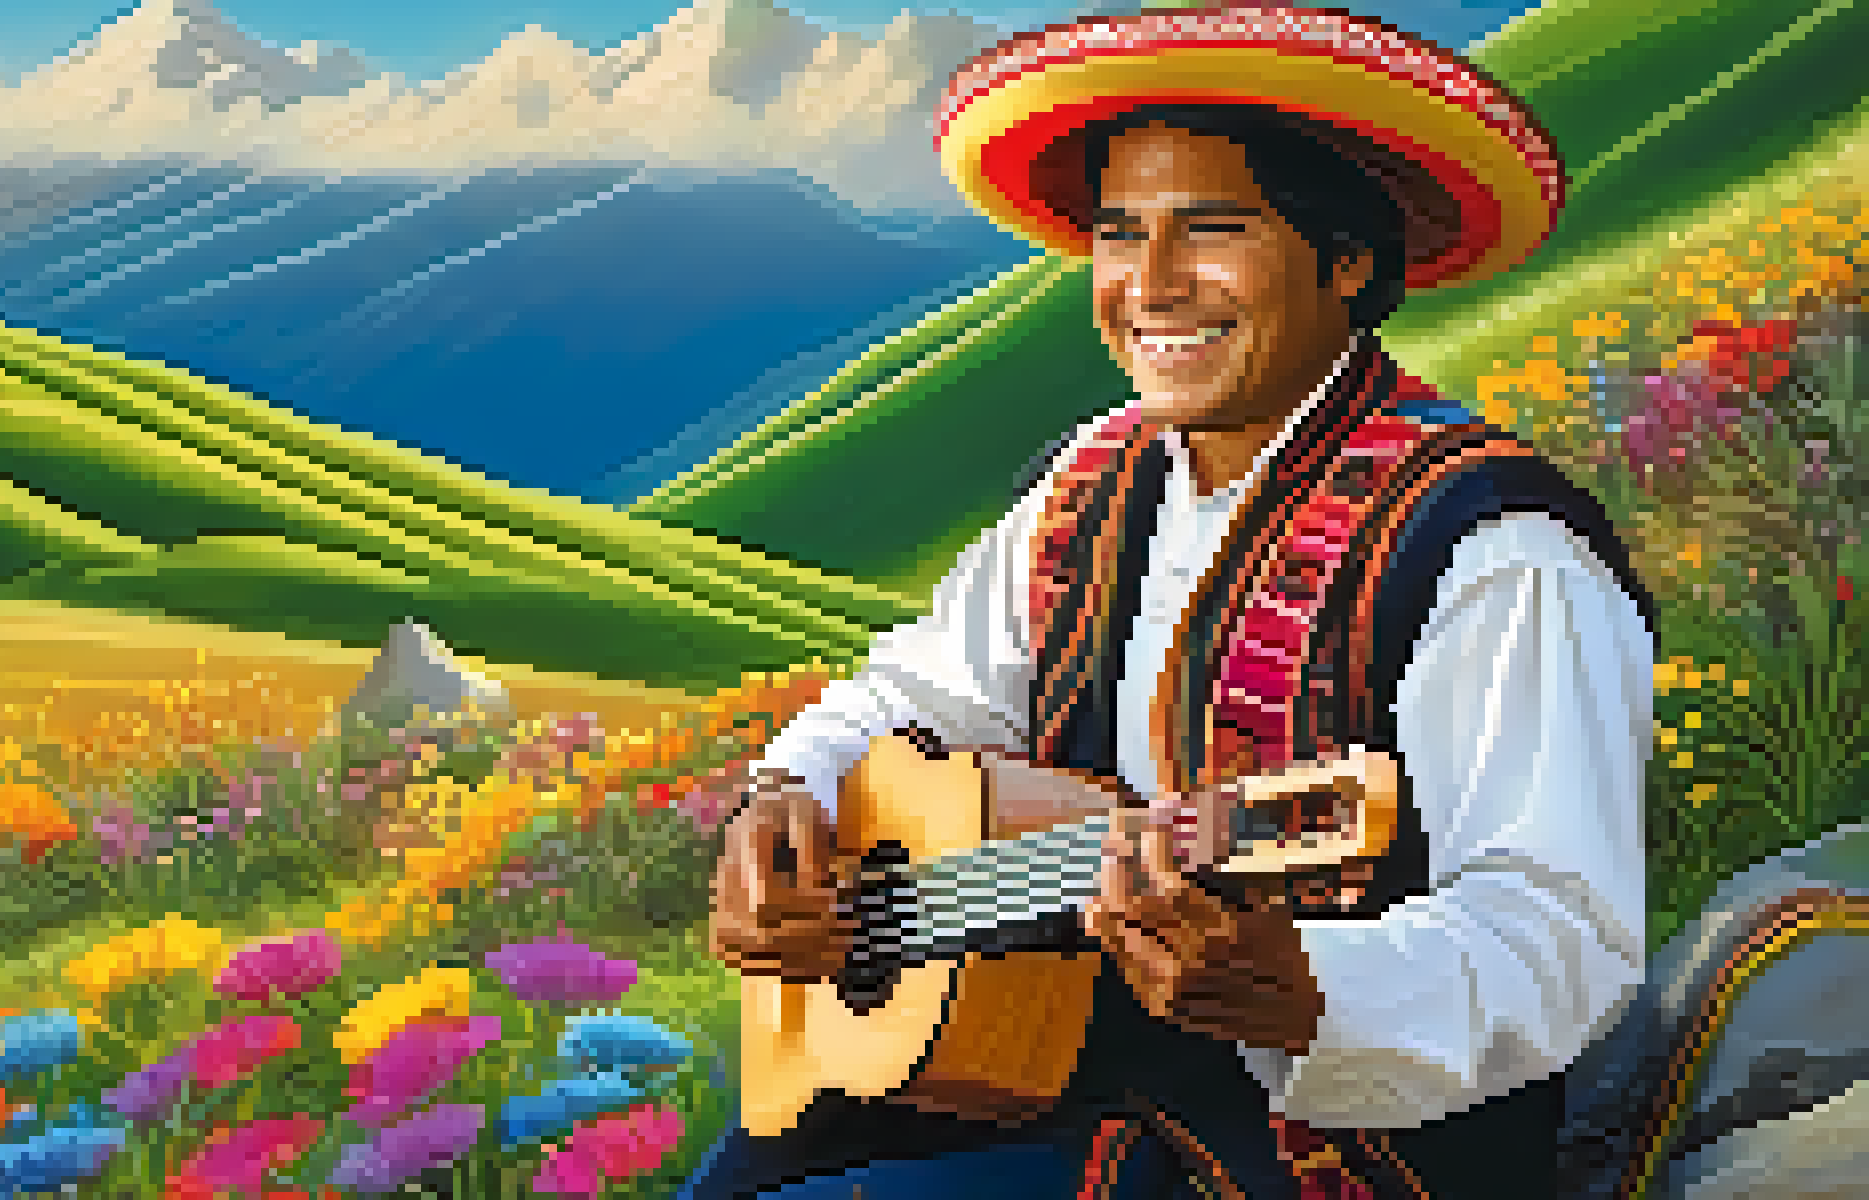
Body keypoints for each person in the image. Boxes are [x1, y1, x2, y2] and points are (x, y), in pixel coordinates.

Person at [681, 6, 1663, 1199]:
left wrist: (1311, 988)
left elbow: (1558, 935)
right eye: (1118, 234)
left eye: (1211, 230)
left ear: (1347, 257)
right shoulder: (1090, 478)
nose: (1148, 286)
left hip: (1321, 1150)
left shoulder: (1495, 547)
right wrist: (787, 796)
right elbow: (911, 692)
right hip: (1036, 1062)